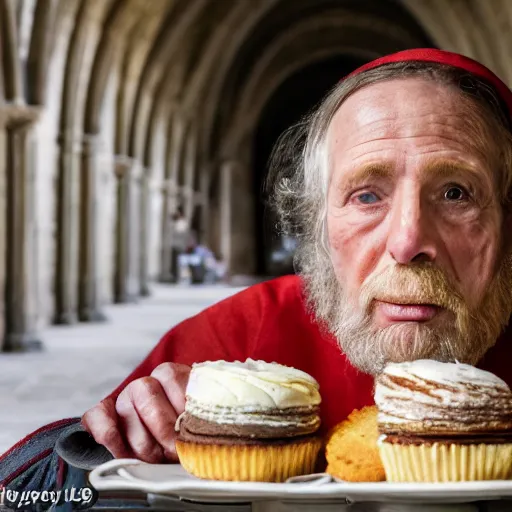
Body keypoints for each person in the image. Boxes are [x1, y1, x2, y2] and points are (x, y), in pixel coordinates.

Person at [2, 48, 512, 493]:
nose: (406, 242)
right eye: (367, 195)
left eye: (455, 194)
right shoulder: (232, 343)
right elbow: (57, 484)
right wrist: (129, 432)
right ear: (318, 223)